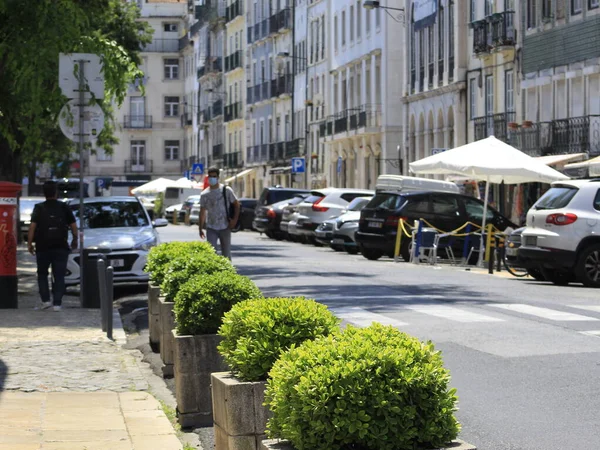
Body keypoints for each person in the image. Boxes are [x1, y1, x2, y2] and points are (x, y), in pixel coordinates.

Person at [27, 181, 78, 311]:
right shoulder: (63, 207)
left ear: (44, 193)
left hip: (43, 246)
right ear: (56, 192)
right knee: (59, 275)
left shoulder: (39, 208)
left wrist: (29, 244)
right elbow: (73, 225)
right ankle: (57, 304)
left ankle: (45, 301)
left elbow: (32, 227)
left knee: (42, 274)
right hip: (61, 246)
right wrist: (75, 239)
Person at [199, 167, 240, 260]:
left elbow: (237, 205)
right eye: (210, 176)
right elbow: (202, 212)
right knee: (211, 253)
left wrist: (234, 220)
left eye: (214, 176)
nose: (212, 178)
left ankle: (227, 273)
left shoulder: (226, 190)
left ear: (218, 177)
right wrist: (200, 228)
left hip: (225, 226)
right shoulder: (204, 194)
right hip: (211, 227)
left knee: (226, 253)